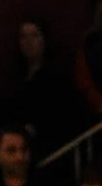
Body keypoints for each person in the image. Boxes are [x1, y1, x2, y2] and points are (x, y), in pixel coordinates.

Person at [10, 18, 82, 159]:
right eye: (23, 36)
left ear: (44, 40)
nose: (28, 41)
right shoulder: (16, 78)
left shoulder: (57, 75)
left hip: (52, 148)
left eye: (34, 35)